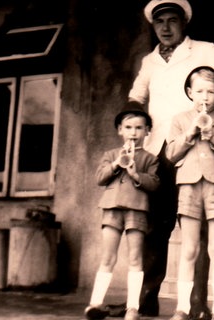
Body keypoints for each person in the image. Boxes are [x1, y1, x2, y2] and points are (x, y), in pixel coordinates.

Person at [122, 0, 214, 318]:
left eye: (173, 20)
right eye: (160, 22)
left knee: (196, 230)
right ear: (153, 26)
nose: (166, 27)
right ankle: (146, 298)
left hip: (198, 153)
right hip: (161, 149)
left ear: (184, 23)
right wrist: (133, 127)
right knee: (155, 226)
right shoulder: (150, 61)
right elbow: (137, 94)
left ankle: (198, 303)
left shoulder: (205, 51)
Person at [165, 66, 214, 320]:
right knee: (189, 249)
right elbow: (171, 155)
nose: (205, 97)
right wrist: (190, 133)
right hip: (189, 187)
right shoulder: (180, 119)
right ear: (190, 92)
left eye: (211, 92)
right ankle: (182, 307)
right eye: (200, 91)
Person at [85, 102, 160, 320]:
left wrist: (136, 175)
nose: (133, 133)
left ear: (147, 131)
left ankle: (133, 307)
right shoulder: (110, 154)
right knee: (107, 256)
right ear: (120, 130)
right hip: (112, 209)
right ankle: (95, 304)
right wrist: (117, 163)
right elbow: (100, 178)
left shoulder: (150, 158)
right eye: (128, 127)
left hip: (137, 210)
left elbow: (154, 184)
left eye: (139, 128)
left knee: (136, 257)